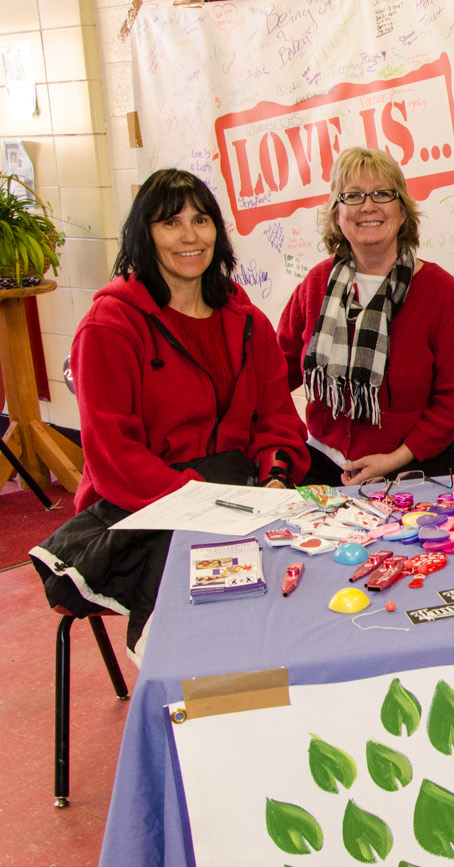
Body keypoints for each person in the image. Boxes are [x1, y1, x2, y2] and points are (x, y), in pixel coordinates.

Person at [32, 168, 309, 650]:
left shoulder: (247, 321)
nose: (189, 236)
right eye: (170, 223)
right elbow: (115, 456)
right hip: (140, 506)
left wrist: (275, 480)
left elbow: (277, 421)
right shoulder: (109, 325)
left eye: (201, 220)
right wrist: (206, 502)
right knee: (195, 572)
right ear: (145, 234)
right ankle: (190, 690)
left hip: (239, 492)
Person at [279, 147, 454, 485]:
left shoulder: (439, 291)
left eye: (382, 194)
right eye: (353, 196)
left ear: (402, 212)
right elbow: (273, 376)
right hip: (324, 468)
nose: (368, 205)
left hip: (416, 468)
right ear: (337, 214)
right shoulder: (315, 285)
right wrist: (285, 441)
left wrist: (393, 460)